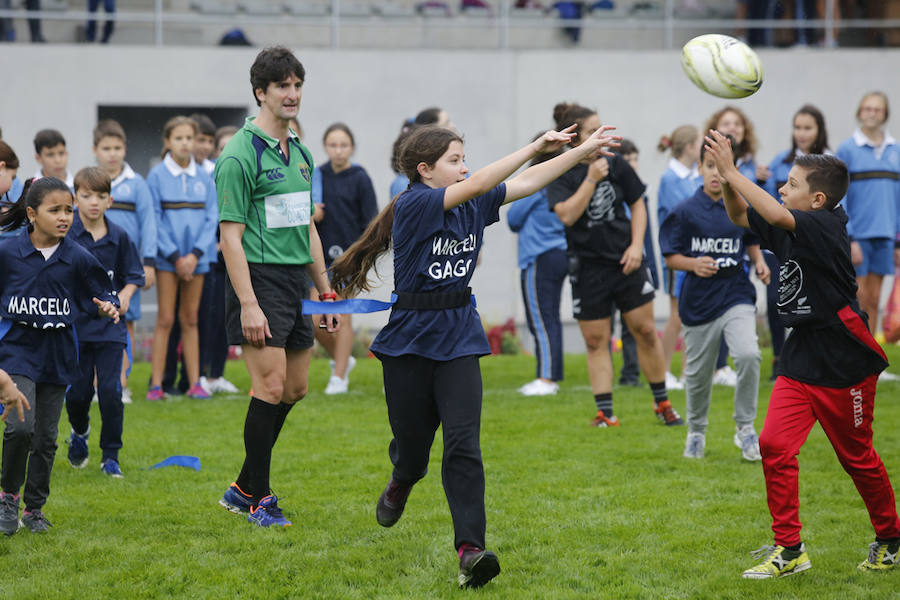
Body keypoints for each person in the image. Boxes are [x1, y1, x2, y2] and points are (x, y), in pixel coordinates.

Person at [329, 121, 621, 589]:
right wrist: (532, 145)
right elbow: (488, 180)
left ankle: (470, 550)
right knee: (413, 446)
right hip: (408, 340)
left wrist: (581, 150)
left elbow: (527, 182)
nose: (465, 168)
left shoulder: (471, 198)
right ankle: (403, 476)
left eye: (465, 159)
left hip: (460, 335)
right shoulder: (417, 203)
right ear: (425, 171)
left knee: (464, 444)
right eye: (454, 161)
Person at [705, 129, 900, 577]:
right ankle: (789, 550)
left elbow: (771, 210)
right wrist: (728, 178)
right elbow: (741, 217)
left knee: (857, 458)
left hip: (844, 359)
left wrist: (734, 170)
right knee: (774, 443)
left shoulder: (825, 225)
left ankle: (890, 537)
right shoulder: (791, 221)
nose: (782, 188)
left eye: (791, 183)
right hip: (802, 354)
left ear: (816, 200)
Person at [214, 46, 338, 528]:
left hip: (294, 282)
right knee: (268, 386)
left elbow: (306, 228)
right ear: (260, 92)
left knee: (296, 388)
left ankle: (243, 487)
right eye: (282, 86)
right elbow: (230, 238)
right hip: (258, 278)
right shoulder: (238, 155)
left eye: (297, 85)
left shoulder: (302, 153)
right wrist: (248, 303)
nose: (292, 94)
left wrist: (325, 291)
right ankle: (260, 500)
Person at [546, 102, 682, 427]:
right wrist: (591, 179)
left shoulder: (617, 163)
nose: (601, 136)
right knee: (596, 340)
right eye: (594, 131)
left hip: (626, 262)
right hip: (588, 268)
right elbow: (566, 215)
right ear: (575, 139)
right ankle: (605, 413)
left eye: (602, 128)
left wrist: (637, 246)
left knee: (646, 330)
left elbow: (637, 204)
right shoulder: (561, 169)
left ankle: (662, 403)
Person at [0, 177, 120, 535]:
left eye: (69, 210)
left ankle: (34, 509)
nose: (65, 217)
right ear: (33, 214)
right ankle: (8, 496)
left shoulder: (78, 257)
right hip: (17, 352)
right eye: (56, 210)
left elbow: (103, 293)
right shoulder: (7, 253)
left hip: (58, 355)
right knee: (20, 427)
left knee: (47, 437)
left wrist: (107, 307)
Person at [659, 135, 768, 462]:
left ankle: (746, 428)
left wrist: (759, 261)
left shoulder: (738, 205)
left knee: (749, 355)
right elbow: (670, 256)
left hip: (735, 293)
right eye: (708, 167)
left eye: (721, 167)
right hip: (699, 301)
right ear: (699, 169)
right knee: (698, 374)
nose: (715, 174)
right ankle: (696, 431)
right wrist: (693, 263)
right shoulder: (685, 211)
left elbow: (750, 238)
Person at [64, 168, 143, 477]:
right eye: (86, 196)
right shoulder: (67, 235)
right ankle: (79, 431)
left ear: (110, 200)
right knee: (78, 393)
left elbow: (135, 275)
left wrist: (124, 296)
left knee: (111, 391)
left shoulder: (120, 236)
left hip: (111, 328)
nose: (93, 202)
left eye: (100, 196)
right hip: (76, 329)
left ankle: (111, 456)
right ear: (74, 199)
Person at [145, 116, 218, 401]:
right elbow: (155, 219)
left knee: (190, 319)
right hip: (168, 259)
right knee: (165, 319)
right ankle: (155, 386)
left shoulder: (205, 176)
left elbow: (212, 216)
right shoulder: (157, 176)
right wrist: (176, 256)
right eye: (179, 138)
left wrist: (194, 255)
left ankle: (195, 384)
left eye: (189, 138)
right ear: (167, 142)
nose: (185, 143)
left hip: (197, 259)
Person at [762, 104, 831, 379]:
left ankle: (818, 359)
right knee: (775, 299)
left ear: (819, 130)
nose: (801, 133)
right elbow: (769, 202)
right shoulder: (781, 161)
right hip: (781, 244)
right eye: (797, 127)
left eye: (807, 127)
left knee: (816, 300)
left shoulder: (829, 165)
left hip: (814, 243)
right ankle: (780, 359)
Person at [310, 122, 378, 395]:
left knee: (344, 317)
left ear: (352, 147)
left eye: (343, 145)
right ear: (325, 147)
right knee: (314, 317)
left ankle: (338, 378)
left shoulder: (360, 177)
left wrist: (362, 257)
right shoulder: (316, 175)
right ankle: (344, 359)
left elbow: (371, 222)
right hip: (317, 258)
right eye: (332, 145)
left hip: (349, 259)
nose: (338, 150)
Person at [93, 119, 157, 403]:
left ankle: (121, 383)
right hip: (94, 265)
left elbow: (149, 223)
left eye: (117, 147)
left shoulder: (137, 184)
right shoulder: (88, 182)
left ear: (125, 149)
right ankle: (95, 385)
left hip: (127, 266)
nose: (112, 153)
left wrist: (149, 262)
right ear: (95, 149)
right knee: (93, 323)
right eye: (106, 148)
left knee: (125, 324)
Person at [704, 106, 766, 386]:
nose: (732, 128)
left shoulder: (752, 166)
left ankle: (724, 367)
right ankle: (711, 368)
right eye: (726, 123)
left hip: (738, 259)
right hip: (707, 263)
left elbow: (749, 223)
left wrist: (759, 259)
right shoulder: (700, 198)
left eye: (737, 123)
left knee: (736, 311)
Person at [506, 135, 566, 396]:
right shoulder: (566, 179)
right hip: (562, 254)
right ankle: (552, 374)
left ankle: (546, 378)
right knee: (551, 316)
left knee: (541, 319)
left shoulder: (537, 182)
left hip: (539, 256)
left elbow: (513, 218)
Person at [836, 92, 900, 335]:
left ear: (885, 115)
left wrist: (897, 241)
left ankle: (871, 363)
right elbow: (840, 196)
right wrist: (849, 237)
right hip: (858, 237)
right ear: (859, 112)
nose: (872, 113)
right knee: (859, 299)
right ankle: (854, 363)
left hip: (885, 236)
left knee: (874, 299)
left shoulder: (896, 150)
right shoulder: (847, 149)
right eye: (867, 108)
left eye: (877, 109)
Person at [656, 125, 701, 391]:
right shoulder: (671, 178)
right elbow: (686, 212)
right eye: (698, 144)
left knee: (689, 315)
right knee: (676, 316)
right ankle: (662, 371)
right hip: (677, 254)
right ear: (688, 147)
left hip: (692, 254)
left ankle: (686, 372)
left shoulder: (693, 176)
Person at [612, 139, 659, 387]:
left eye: (634, 159)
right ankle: (611, 373)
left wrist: (651, 266)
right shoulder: (612, 192)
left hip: (638, 263)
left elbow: (647, 235)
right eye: (626, 160)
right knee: (606, 323)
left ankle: (632, 373)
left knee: (636, 326)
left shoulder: (640, 193)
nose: (631, 165)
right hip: (611, 263)